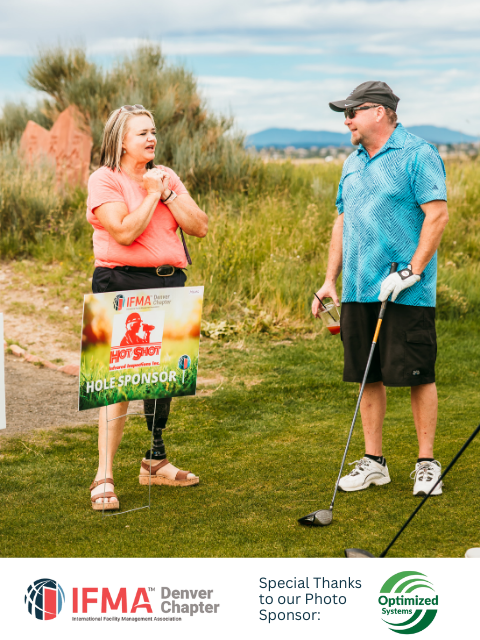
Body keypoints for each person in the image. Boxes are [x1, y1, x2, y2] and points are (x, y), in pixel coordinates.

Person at [312, 81, 448, 497]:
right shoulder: (351, 163)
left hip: (405, 291)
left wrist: (413, 271)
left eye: (351, 112)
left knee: (417, 374)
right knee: (366, 374)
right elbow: (341, 221)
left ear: (378, 111)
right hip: (357, 289)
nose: (347, 121)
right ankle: (374, 463)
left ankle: (427, 463)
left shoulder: (417, 154)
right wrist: (329, 281)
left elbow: (437, 215)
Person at [87, 104, 208, 510]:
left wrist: (167, 191)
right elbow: (122, 232)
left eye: (153, 131)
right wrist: (152, 195)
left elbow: (200, 226)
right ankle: (103, 474)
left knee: (162, 380)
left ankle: (154, 461)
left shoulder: (166, 176)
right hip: (120, 282)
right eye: (142, 133)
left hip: (168, 282)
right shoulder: (105, 180)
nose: (151, 138)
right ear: (121, 140)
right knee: (117, 383)